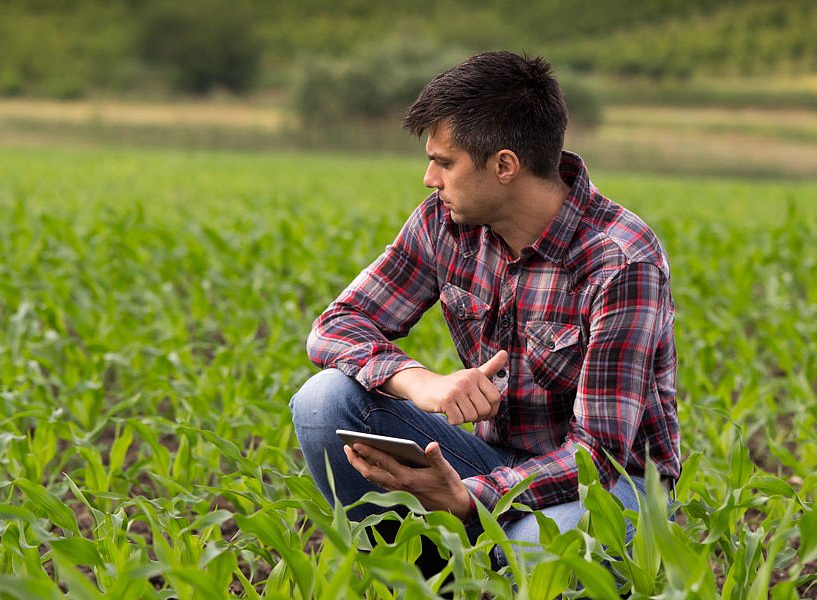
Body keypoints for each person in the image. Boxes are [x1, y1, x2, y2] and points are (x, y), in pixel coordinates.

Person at [289, 50, 679, 569]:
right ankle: (429, 582)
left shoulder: (620, 261)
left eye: (444, 162)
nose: (429, 178)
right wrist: (417, 380)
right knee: (323, 402)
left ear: (504, 166)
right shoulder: (444, 223)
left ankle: (508, 556)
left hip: (611, 486)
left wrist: (470, 497)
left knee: (549, 547)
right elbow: (337, 326)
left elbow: (598, 454)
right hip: (491, 460)